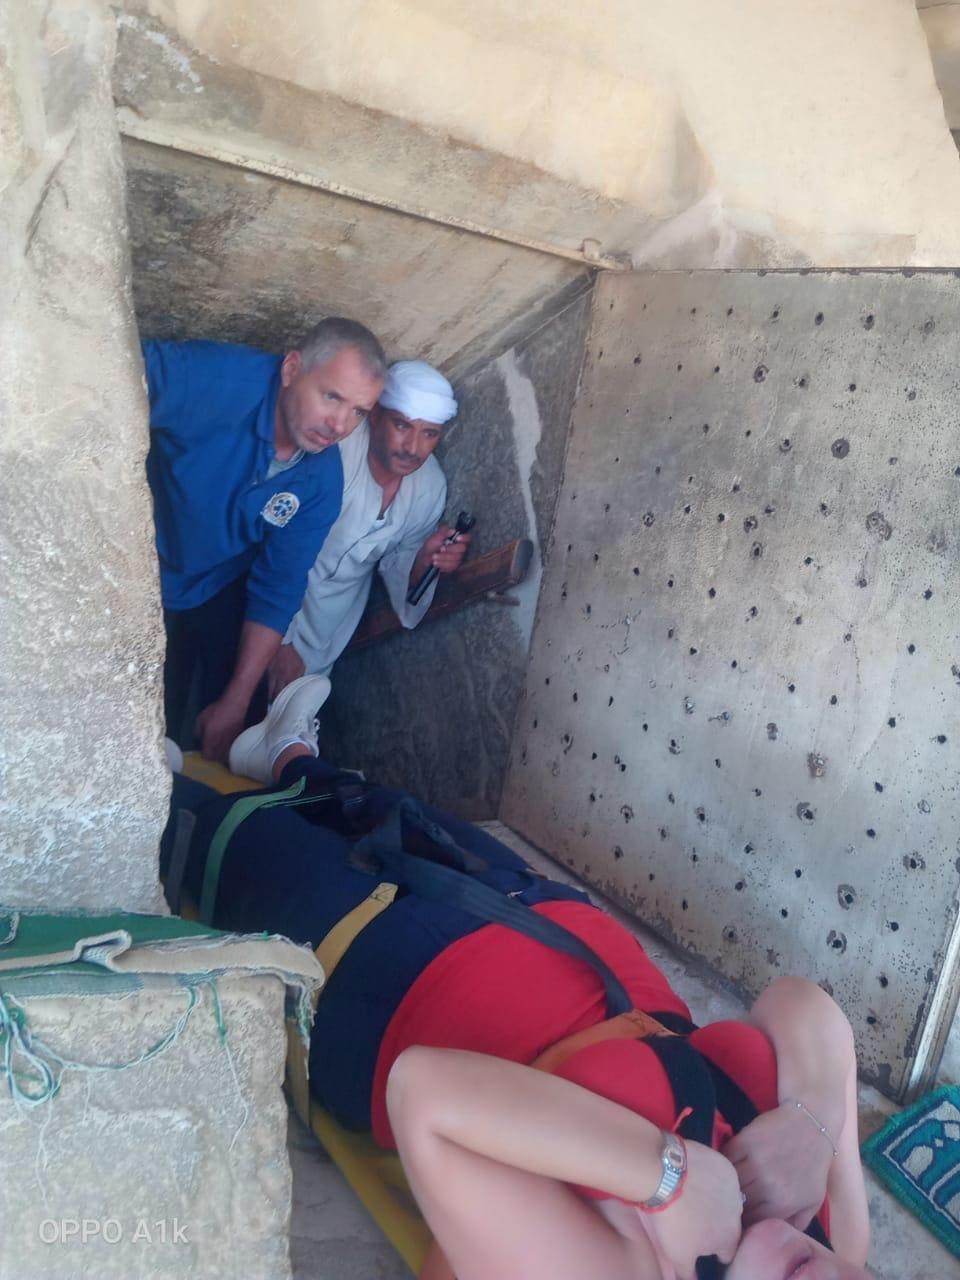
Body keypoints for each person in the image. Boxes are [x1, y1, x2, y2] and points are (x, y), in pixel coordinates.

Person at [164, 683, 872, 1280]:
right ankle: (283, 754)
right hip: (548, 919)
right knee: (375, 804)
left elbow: (427, 1095)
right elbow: (806, 1009)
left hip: (389, 980)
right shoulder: (835, 1234)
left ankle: (159, 778)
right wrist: (812, 1123)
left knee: (213, 834)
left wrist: (667, 1176)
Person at [143, 317, 387, 760]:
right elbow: (110, 371)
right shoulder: (216, 381)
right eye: (332, 396)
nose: (339, 425)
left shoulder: (321, 481)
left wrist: (235, 703)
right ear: (291, 370)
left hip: (215, 582)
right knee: (143, 716)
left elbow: (278, 587)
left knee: (240, 725)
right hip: (136, 562)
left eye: (359, 411)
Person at [265, 359, 469, 697]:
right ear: (374, 415)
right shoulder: (336, 451)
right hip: (268, 610)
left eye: (429, 433)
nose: (413, 447)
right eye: (402, 426)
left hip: (327, 635)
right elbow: (276, 538)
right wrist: (278, 639)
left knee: (286, 722)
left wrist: (424, 561)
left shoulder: (430, 486)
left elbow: (397, 564)